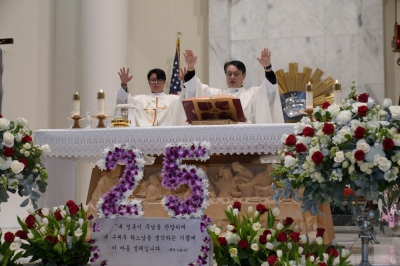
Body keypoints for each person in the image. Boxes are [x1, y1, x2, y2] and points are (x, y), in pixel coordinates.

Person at [180, 49, 284, 124]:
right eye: (229, 74)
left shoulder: (253, 94)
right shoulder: (216, 94)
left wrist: (267, 67)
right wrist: (191, 67)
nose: (232, 77)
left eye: (236, 74)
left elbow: (269, 89)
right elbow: (194, 88)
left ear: (244, 76)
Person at [116, 68, 187, 126]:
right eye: (153, 80)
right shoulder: (140, 100)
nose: (156, 82)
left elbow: (185, 98)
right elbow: (123, 102)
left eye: (159, 79)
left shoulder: (173, 100)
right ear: (149, 82)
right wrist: (124, 84)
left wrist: (185, 82)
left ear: (164, 82)